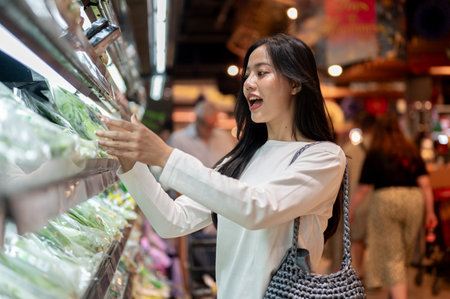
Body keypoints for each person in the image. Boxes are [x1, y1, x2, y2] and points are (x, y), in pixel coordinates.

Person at [96, 33, 347, 298]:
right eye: (247, 75)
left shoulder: (324, 157)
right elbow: (172, 220)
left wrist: (166, 156)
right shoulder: (239, 160)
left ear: (295, 83)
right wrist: (130, 163)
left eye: (262, 73)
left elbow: (258, 208)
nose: (249, 83)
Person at [349, 113, 438, 299]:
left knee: (393, 254)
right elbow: (425, 184)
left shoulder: (376, 151)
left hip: (386, 199)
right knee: (404, 252)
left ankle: (398, 295)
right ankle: (394, 291)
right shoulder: (410, 149)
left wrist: (351, 210)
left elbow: (363, 188)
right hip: (414, 200)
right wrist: (430, 211)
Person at [344, 113, 376, 277]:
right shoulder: (382, 146)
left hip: (357, 200)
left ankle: (361, 271)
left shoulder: (350, 149)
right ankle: (375, 276)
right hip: (378, 201)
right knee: (377, 240)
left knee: (358, 239)